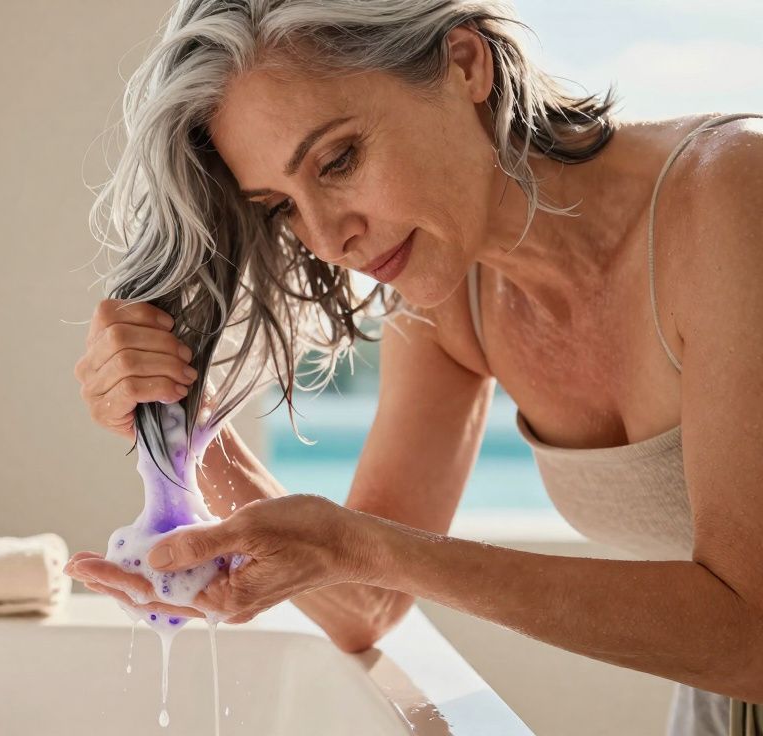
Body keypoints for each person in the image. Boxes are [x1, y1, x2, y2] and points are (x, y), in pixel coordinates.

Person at [64, 2, 762, 734]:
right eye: (280, 208)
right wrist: (188, 429)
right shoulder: (452, 296)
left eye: (338, 161)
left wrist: (360, 545)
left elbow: (751, 633)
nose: (329, 238)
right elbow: (365, 604)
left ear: (465, 63)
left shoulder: (732, 192)